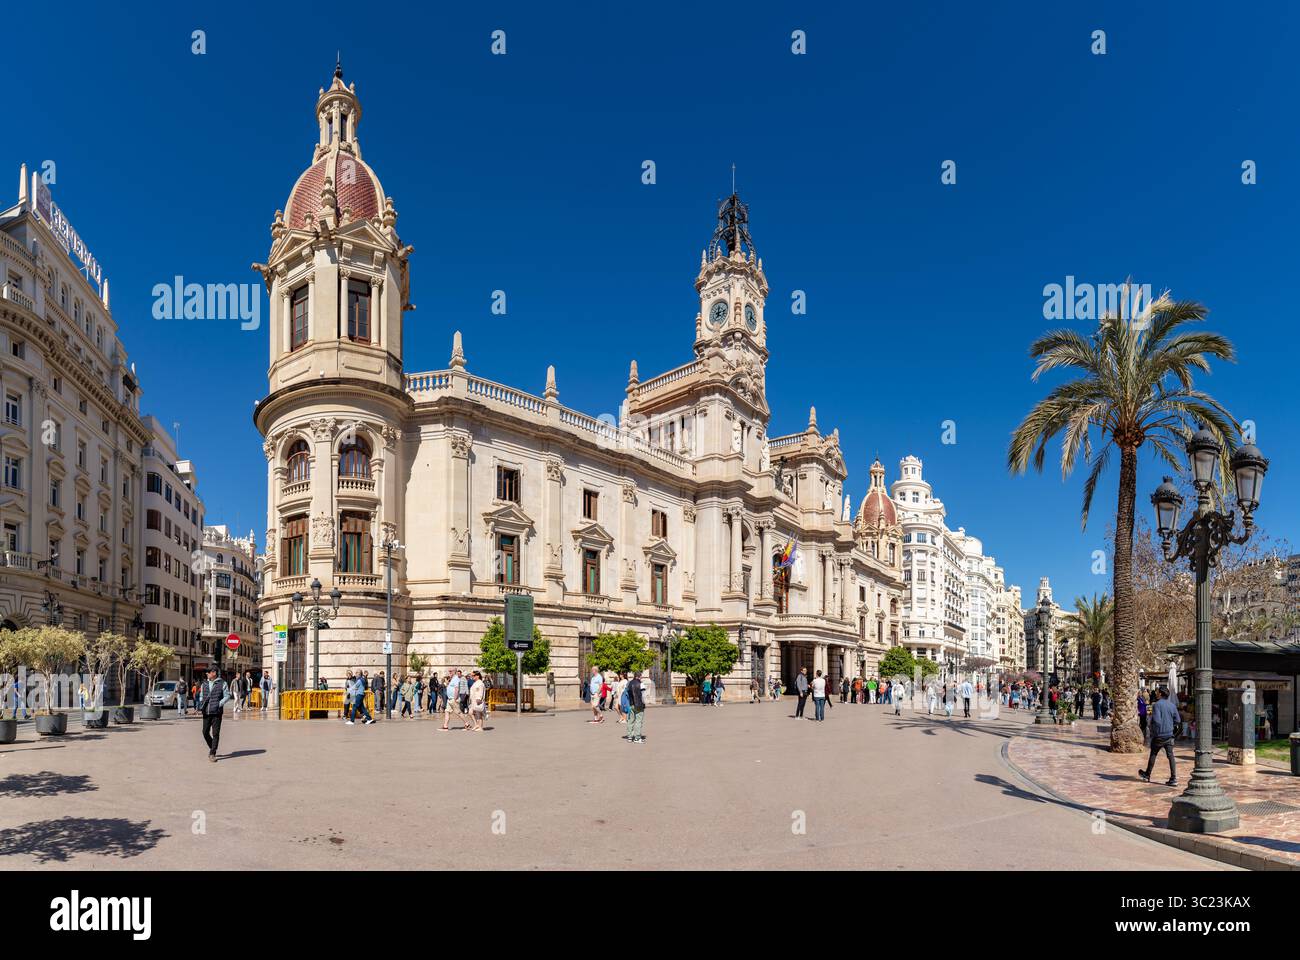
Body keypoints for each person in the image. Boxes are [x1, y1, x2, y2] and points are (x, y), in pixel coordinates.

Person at [1139, 687, 1180, 786]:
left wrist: (1153, 730)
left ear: (1161, 694)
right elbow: (1178, 720)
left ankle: (1147, 774)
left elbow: (1157, 721)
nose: (1156, 694)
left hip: (1159, 735)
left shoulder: (1157, 705)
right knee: (1171, 756)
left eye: (1157, 693)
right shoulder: (1172, 705)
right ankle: (1173, 778)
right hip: (1169, 735)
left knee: (1153, 754)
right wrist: (1170, 725)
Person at [197, 666, 230, 762]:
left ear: (214, 673)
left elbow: (227, 695)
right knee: (205, 732)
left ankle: (212, 753)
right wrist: (201, 703)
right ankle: (213, 746)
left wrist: (219, 704)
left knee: (215, 733)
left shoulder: (222, 683)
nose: (206, 673)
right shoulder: (204, 684)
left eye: (208, 672)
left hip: (216, 712)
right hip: (206, 712)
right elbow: (202, 695)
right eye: (206, 672)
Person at [625, 671, 646, 743]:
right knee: (638, 721)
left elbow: (627, 694)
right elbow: (643, 696)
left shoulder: (629, 683)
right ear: (639, 676)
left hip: (631, 704)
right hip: (639, 705)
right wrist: (644, 703)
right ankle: (637, 737)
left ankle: (630, 737)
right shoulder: (641, 684)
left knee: (631, 720)